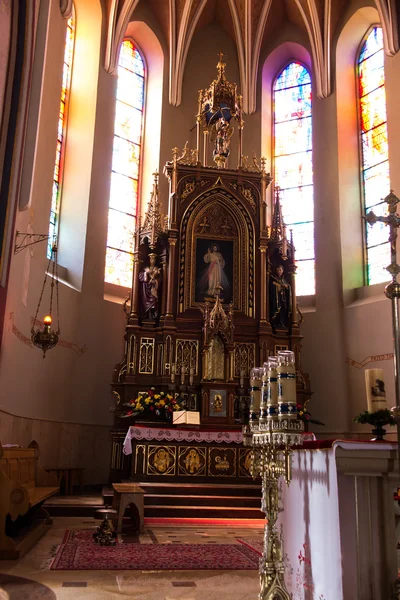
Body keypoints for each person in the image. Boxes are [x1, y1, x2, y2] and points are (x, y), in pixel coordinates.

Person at [269, 264, 292, 329]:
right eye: (277, 270)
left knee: (283, 310)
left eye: (280, 270)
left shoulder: (284, 280)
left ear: (282, 271)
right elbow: (272, 286)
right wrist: (278, 287)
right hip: (277, 300)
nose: (279, 271)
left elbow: (288, 287)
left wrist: (287, 287)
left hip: (283, 299)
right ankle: (277, 323)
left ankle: (283, 323)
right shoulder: (274, 278)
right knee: (278, 311)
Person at [139, 253, 160, 320]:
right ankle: (146, 315)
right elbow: (140, 276)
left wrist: (156, 281)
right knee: (145, 302)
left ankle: (152, 316)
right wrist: (146, 273)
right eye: (151, 259)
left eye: (153, 259)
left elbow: (160, 279)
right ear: (149, 260)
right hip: (145, 288)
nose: (152, 260)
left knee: (154, 302)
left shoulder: (157, 270)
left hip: (153, 289)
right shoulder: (145, 269)